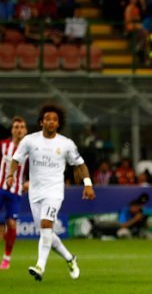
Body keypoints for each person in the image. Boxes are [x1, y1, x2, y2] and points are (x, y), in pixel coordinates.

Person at [6, 104, 96, 281]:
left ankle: (40, 266)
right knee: (45, 232)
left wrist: (88, 184)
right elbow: (16, 159)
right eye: (47, 119)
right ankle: (70, 258)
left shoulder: (66, 144)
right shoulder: (30, 141)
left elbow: (80, 164)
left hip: (54, 192)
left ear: (58, 123)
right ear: (41, 122)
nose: (51, 122)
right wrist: (10, 175)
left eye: (54, 119)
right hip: (35, 193)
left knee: (46, 225)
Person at [0, 116, 28, 270]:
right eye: (16, 127)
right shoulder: (3, 145)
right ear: (12, 130)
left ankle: (6, 258)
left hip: (16, 192)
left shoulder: (29, 151)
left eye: (22, 127)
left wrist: (30, 182)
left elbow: (37, 171)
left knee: (11, 224)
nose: (19, 130)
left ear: (26, 130)